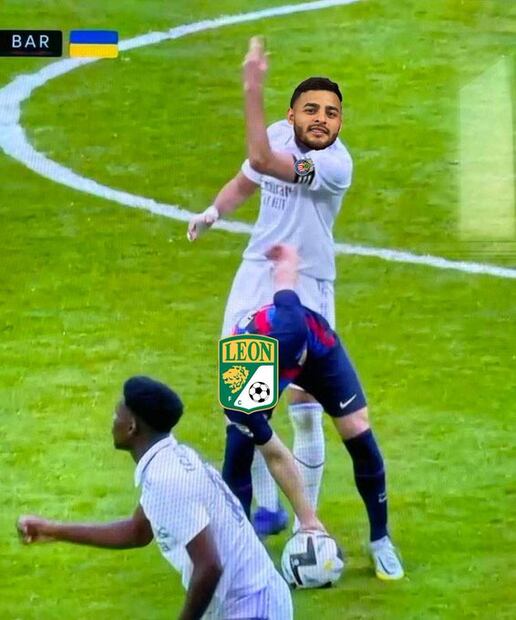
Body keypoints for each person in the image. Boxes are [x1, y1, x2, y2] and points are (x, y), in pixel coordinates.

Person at [188, 36, 353, 537]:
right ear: (292, 114)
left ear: (340, 123)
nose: (321, 119)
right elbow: (247, 179)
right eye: (311, 110)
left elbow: (261, 161)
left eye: (331, 113)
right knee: (245, 400)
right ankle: (266, 508)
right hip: (257, 275)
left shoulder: (333, 165)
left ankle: (309, 526)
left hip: (308, 283)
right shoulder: (280, 135)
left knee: (304, 405)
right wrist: (213, 211)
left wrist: (251, 88)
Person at [17, 376, 293, 619]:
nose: (112, 422)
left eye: (116, 415)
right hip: (252, 599)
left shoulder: (166, 479)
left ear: (131, 427)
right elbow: (137, 532)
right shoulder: (170, 459)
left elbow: (209, 566)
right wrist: (51, 529)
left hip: (253, 607)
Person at [222, 244, 405, 581]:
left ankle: (381, 541)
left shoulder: (293, 322)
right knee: (239, 450)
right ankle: (241, 548)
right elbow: (275, 454)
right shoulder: (241, 375)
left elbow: (285, 281)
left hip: (321, 354)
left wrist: (286, 257)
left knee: (357, 429)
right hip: (260, 366)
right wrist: (308, 517)